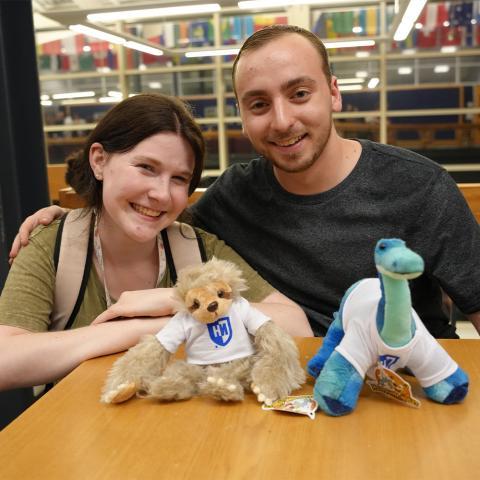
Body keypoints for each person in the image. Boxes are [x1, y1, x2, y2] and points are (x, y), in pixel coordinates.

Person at [10, 25, 480, 339]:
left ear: (333, 92)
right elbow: (153, 214)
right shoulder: (232, 197)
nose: (281, 120)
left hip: (408, 383)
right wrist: (73, 217)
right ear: (242, 116)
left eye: (299, 94)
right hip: (285, 388)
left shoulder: (420, 188)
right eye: (258, 104)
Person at [0, 93, 311, 392]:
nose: (162, 194)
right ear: (99, 160)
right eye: (146, 168)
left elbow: (297, 327)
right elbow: (6, 360)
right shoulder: (51, 243)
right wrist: (140, 329)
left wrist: (171, 301)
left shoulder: (199, 249)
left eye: (179, 178)